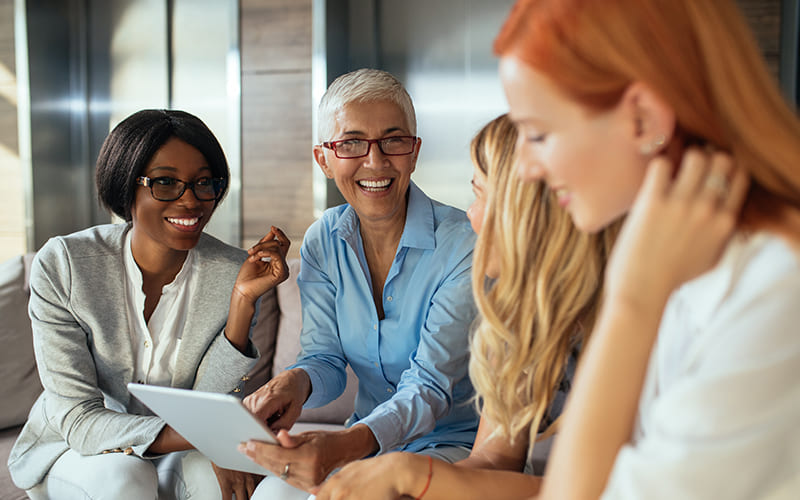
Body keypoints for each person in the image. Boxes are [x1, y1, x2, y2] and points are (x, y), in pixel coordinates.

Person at [493, 0, 800, 498]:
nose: (525, 166)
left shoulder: (777, 292)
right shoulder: (689, 263)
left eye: (537, 133)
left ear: (642, 116)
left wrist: (631, 302)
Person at [314, 113, 619, 499]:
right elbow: (494, 459)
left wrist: (412, 475)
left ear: (529, 210)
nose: (470, 215)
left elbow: (607, 490)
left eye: (480, 194)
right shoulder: (517, 320)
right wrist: (410, 479)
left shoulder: (627, 320)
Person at [7, 109, 290, 500]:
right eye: (166, 183)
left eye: (203, 183)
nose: (191, 201)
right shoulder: (65, 264)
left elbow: (205, 401)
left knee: (219, 487)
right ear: (126, 186)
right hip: (76, 451)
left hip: (178, 446)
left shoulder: (231, 271)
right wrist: (213, 438)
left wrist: (242, 303)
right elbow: (78, 418)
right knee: (125, 477)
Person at [239, 68, 480, 499]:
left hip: (452, 448)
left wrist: (348, 445)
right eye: (351, 143)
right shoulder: (322, 240)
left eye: (393, 140)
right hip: (366, 445)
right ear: (324, 159)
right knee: (272, 494)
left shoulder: (462, 244)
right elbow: (325, 359)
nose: (375, 161)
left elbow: (431, 386)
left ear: (414, 151)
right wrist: (294, 382)